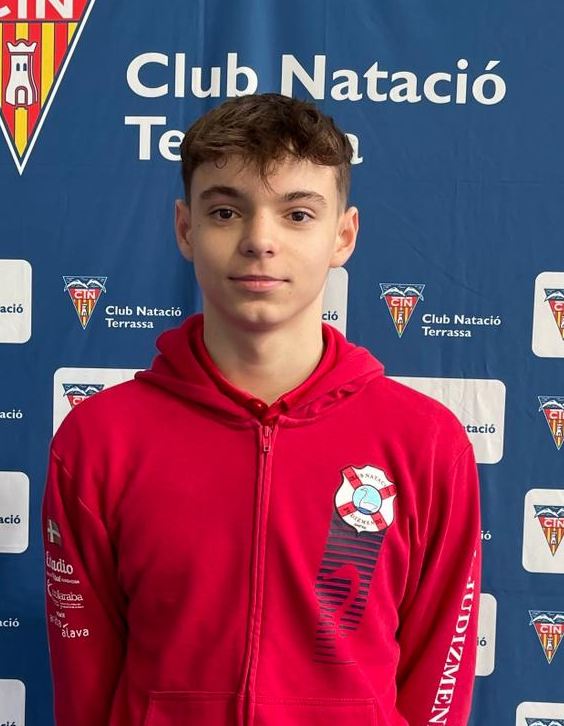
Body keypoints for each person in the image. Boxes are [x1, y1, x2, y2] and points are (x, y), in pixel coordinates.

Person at [42, 93, 481, 726]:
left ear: (343, 235)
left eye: (298, 214)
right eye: (226, 212)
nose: (259, 242)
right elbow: (84, 678)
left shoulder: (425, 441)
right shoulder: (100, 438)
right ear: (186, 229)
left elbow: (440, 674)